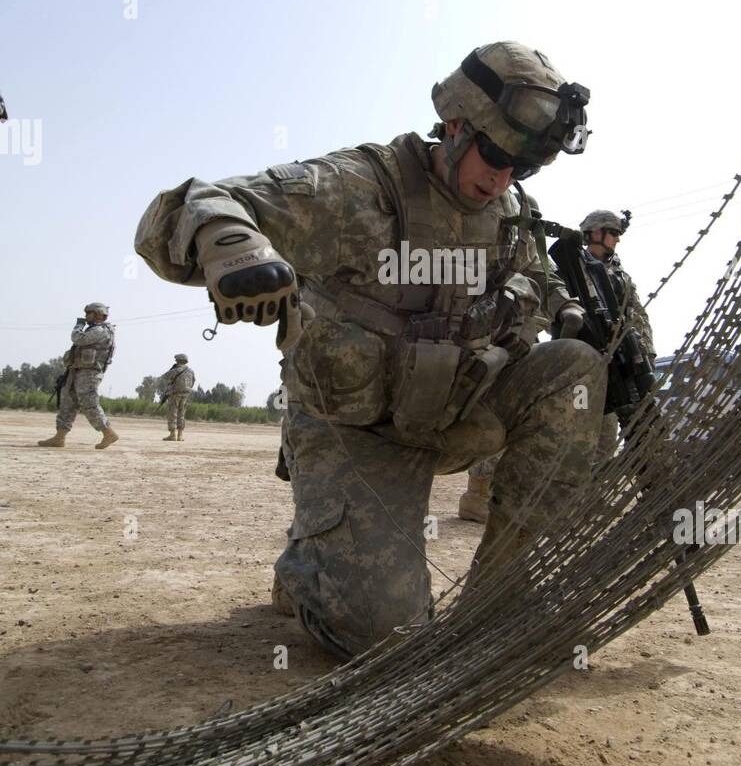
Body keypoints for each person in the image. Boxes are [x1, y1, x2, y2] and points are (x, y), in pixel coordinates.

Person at [135, 42, 607, 659]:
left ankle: (505, 602)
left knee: (573, 369)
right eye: (494, 154)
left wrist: (567, 309)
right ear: (457, 126)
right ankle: (312, 567)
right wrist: (231, 244)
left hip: (459, 413)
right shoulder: (360, 189)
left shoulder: (511, 210)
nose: (503, 178)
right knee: (388, 637)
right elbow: (187, 206)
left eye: (523, 166)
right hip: (359, 435)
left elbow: (539, 276)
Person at [580, 209, 655, 465]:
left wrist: (646, 352)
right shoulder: (573, 270)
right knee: (584, 437)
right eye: (613, 233)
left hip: (624, 362)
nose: (617, 239)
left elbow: (638, 315)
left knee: (611, 438)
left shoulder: (620, 275)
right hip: (588, 366)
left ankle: (594, 498)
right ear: (595, 233)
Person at [38, 303, 118, 449]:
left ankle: (108, 433)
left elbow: (78, 338)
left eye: (89, 313)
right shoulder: (94, 330)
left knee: (89, 404)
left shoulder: (101, 331)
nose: (86, 316)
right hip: (78, 371)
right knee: (67, 403)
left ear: (98, 315)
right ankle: (59, 437)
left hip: (89, 373)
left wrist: (78, 326)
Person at [161, 354, 195, 441]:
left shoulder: (176, 370)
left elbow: (165, 376)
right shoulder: (191, 371)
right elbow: (193, 381)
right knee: (181, 415)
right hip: (185, 395)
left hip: (175, 394)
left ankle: (173, 435)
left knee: (173, 414)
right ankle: (180, 436)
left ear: (178, 361)